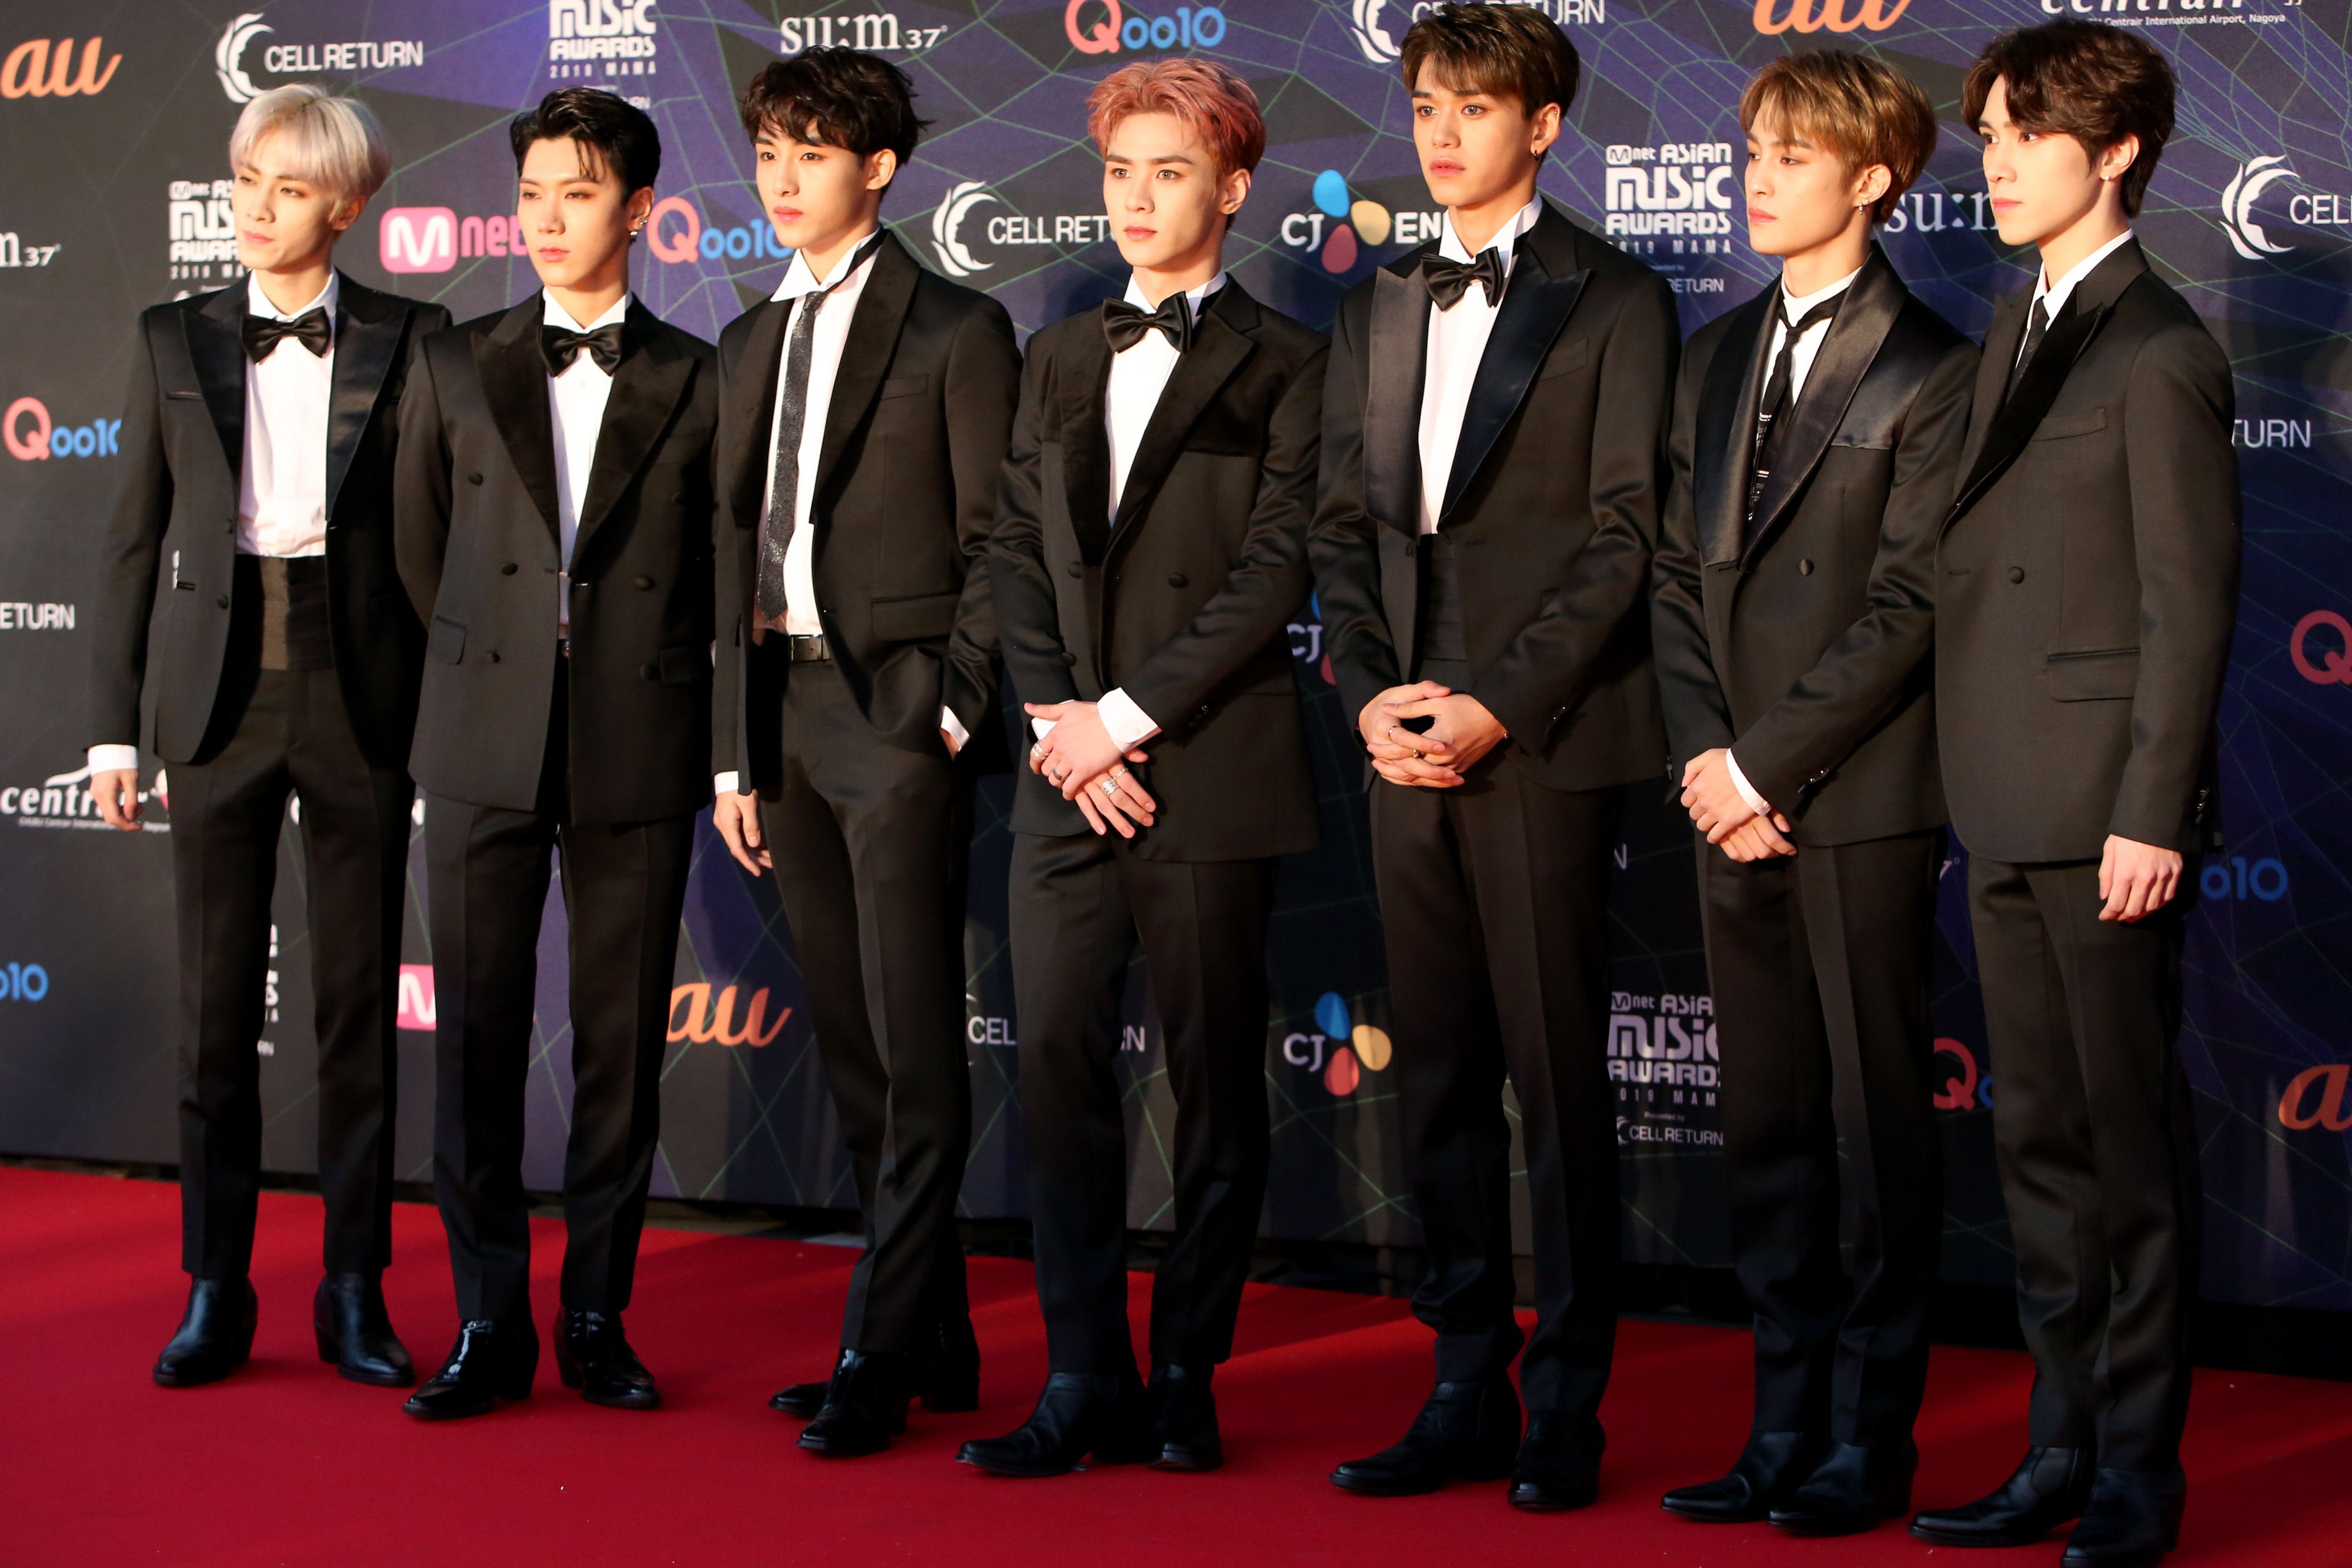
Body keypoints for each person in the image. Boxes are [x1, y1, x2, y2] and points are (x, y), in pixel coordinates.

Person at [1308, 1, 1676, 1511]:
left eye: (1473, 106)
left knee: (1555, 1079)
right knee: (1441, 1076)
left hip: (1542, 737)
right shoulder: (1380, 297)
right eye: (1423, 106)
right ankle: (1461, 1377)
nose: (1442, 133)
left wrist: (1497, 704)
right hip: (1401, 736)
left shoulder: (1615, 298)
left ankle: (1567, 1400)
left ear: (1542, 125)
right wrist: (1370, 697)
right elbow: (1338, 525)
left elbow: (1624, 537)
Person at [958, 58, 1325, 1479]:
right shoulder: (1055, 351)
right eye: (1119, 171)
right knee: (1055, 1069)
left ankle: (1185, 1371)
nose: (1136, 197)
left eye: (1168, 172)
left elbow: (1271, 572)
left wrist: (1122, 717)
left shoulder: (1292, 362)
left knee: (1214, 1086)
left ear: (1230, 189)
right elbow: (1011, 545)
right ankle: (1079, 1375)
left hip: (1204, 767)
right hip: (1064, 775)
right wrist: (1060, 718)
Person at [1907, 23, 2237, 1568]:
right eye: (1987, 134)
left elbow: (2189, 606)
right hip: (1997, 796)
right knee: (2037, 1150)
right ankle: (2056, 1445)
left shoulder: (2160, 348)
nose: (1996, 162)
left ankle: (2136, 1474)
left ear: (2114, 153)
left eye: (2028, 135)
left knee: (2123, 1159)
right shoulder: (2009, 326)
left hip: (2105, 815)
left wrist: (2152, 811)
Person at [1648, 53, 1976, 1536]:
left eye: (1792, 154)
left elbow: (1908, 602)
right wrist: (1705, 760)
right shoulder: (1711, 354)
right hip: (1722, 793)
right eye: (1752, 152)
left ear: (1874, 178)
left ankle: (1870, 1437)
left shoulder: (1933, 366)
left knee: (1871, 1125)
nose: (1757, 177)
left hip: (1855, 795)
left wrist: (1763, 763)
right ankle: (1777, 1422)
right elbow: (1667, 572)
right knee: (1765, 1122)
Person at [87, 85, 447, 1392]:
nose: (255, 206)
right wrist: (113, 736)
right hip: (213, 701)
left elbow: (445, 540)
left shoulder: (415, 336)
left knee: (355, 1011)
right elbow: (131, 543)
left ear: (343, 208)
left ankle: (354, 1287)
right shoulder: (170, 334)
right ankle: (216, 1286)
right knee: (212, 1011)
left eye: (287, 188)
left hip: (363, 697)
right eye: (246, 178)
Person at [705, 49, 1020, 1457]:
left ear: (877, 169)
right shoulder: (746, 339)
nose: (782, 178)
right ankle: (935, 1338)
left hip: (895, 715)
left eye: (813, 152)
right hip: (781, 719)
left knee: (913, 1049)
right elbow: (729, 556)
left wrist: (948, 708)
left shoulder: (955, 328)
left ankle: (875, 1348)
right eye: (768, 151)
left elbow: (999, 538)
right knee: (850, 1050)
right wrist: (732, 753)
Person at [392, 88, 718, 1420]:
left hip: (638, 733)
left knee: (619, 1044)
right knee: (473, 1037)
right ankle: (487, 1320)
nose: (545, 218)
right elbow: (418, 553)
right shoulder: (453, 362)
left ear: (639, 211)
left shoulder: (699, 375)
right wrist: (506, 659)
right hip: (481, 732)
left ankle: (595, 1312)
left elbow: (713, 569)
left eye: (576, 194)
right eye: (531, 193)